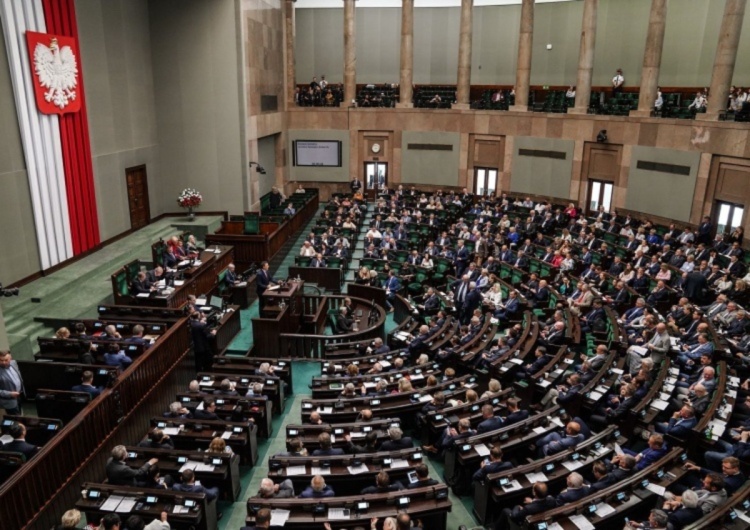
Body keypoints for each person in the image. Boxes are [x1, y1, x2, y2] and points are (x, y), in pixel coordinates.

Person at [0, 350, 24, 415]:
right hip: (9, 401)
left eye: (6, 360)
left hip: (19, 395)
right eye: (1, 360)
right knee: (16, 420)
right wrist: (10, 394)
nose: (4, 362)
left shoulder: (14, 363)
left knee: (20, 414)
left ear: (10, 358)